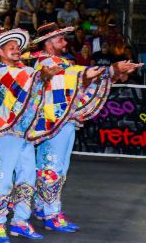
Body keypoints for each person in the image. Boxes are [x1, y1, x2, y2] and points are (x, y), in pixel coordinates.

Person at [28, 23, 140, 232]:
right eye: (61, 39)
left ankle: (43, 207)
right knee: (54, 167)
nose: (65, 42)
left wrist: (112, 72)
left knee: (50, 166)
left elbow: (78, 76)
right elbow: (74, 76)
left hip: (60, 121)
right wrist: (111, 70)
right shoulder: (47, 63)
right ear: (48, 42)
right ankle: (52, 213)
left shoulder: (58, 62)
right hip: (55, 122)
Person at [0, 28, 59, 243]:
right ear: (0, 54)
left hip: (25, 134)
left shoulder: (26, 71)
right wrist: (42, 75)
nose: (16, 50)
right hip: (6, 133)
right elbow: (22, 84)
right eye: (10, 48)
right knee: (3, 179)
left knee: (27, 178)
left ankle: (20, 221)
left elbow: (32, 86)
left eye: (17, 47)